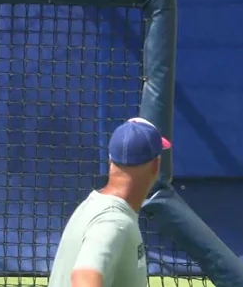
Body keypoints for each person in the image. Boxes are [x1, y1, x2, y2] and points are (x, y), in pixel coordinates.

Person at [48, 117, 171, 287]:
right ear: (156, 165)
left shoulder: (93, 207)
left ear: (111, 161)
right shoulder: (114, 221)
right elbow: (84, 279)